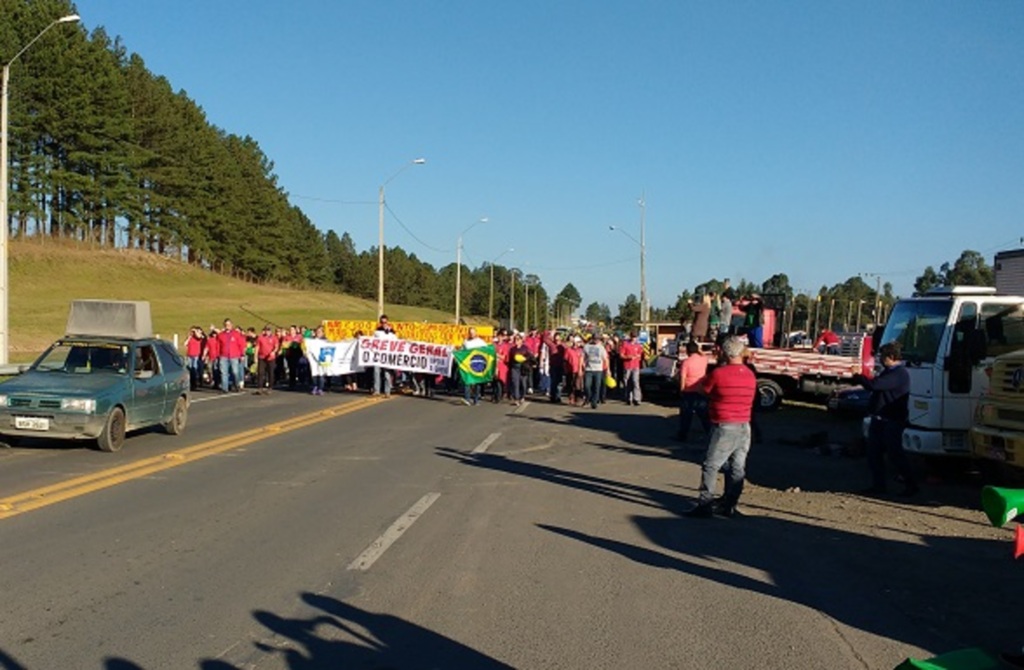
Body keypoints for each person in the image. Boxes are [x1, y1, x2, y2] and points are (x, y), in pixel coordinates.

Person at [685, 336, 757, 518]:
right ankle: (730, 504)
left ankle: (705, 504)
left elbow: (703, 389)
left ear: (724, 352)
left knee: (711, 465)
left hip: (724, 424)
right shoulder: (750, 374)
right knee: (737, 467)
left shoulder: (719, 373)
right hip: (744, 425)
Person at [854, 342, 918, 497]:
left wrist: (859, 376)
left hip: (892, 420)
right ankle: (878, 486)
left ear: (891, 357)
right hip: (880, 418)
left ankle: (911, 485)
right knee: (873, 454)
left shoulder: (899, 374)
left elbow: (875, 385)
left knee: (895, 454)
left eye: (882, 356)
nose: (880, 359)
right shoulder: (889, 372)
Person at [677, 341, 711, 442]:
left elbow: (683, 377)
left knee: (686, 416)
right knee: (704, 415)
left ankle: (683, 435)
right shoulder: (703, 360)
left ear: (687, 351)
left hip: (689, 390)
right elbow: (704, 354)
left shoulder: (686, 362)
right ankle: (709, 432)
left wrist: (681, 390)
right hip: (701, 390)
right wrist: (699, 349)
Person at [218, 319, 247, 393]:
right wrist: (218, 354)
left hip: (234, 356)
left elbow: (241, 345)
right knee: (224, 372)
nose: (227, 326)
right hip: (224, 356)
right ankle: (225, 388)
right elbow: (218, 345)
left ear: (231, 325)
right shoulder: (221, 335)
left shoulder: (236, 334)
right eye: (226, 325)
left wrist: (242, 355)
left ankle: (236, 385)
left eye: (229, 324)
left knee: (235, 372)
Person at [461, 327, 488, 406]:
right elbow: (462, 351)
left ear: (476, 333)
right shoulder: (466, 342)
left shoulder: (480, 342)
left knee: (477, 383)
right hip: (468, 365)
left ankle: (476, 399)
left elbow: (487, 350)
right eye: (470, 332)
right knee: (467, 381)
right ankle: (467, 398)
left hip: (477, 364)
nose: (472, 334)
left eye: (473, 332)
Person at [373, 314, 397, 397]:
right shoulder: (377, 331)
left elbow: (396, 343)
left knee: (387, 374)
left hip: (387, 356)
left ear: (387, 322)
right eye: (382, 322)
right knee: (376, 372)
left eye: (385, 322)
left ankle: (387, 391)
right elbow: (373, 342)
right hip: (378, 355)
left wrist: (390, 331)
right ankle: (377, 390)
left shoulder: (392, 332)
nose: (384, 324)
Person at [507, 333, 534, 406]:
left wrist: (525, 359)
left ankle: (522, 396)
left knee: (523, 384)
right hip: (515, 368)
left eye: (518, 339)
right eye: (515, 339)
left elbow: (531, 356)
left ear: (521, 340)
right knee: (516, 383)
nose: (516, 341)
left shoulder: (525, 348)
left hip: (523, 367)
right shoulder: (512, 349)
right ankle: (516, 398)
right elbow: (509, 359)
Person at [582, 335, 608, 410]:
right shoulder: (586, 346)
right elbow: (582, 357)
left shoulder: (601, 347)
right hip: (588, 369)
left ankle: (594, 402)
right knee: (587, 385)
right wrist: (582, 366)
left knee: (597, 387)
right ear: (592, 339)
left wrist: (606, 369)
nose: (596, 340)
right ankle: (589, 397)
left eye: (597, 339)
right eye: (595, 339)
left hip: (598, 370)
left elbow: (605, 358)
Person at [619, 331, 644, 406]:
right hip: (627, 366)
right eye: (633, 337)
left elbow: (640, 354)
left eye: (635, 337)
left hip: (635, 366)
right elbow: (621, 355)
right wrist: (628, 357)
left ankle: (637, 399)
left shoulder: (638, 345)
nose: (634, 338)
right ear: (630, 336)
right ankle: (628, 398)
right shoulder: (625, 344)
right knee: (627, 382)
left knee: (635, 382)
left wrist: (638, 357)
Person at [254, 324, 279, 395]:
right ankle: (260, 387)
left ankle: (270, 387)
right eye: (266, 330)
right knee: (260, 372)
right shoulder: (260, 338)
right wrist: (255, 356)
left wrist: (273, 352)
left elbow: (276, 346)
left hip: (270, 357)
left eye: (269, 330)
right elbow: (257, 347)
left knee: (270, 372)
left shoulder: (274, 338)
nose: (267, 331)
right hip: (262, 357)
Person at [543, 331, 566, 403]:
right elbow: (544, 339)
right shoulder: (551, 345)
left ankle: (558, 396)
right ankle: (553, 396)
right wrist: (550, 333)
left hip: (561, 366)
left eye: (559, 338)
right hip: (553, 366)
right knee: (553, 382)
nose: (557, 340)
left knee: (560, 382)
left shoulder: (563, 346)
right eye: (556, 338)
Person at [184, 326, 206, 391]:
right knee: (190, 369)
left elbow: (200, 336)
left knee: (194, 368)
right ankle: (191, 382)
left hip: (196, 355)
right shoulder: (190, 338)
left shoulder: (199, 338)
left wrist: (196, 331)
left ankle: (195, 383)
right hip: (189, 355)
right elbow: (185, 344)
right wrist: (189, 337)